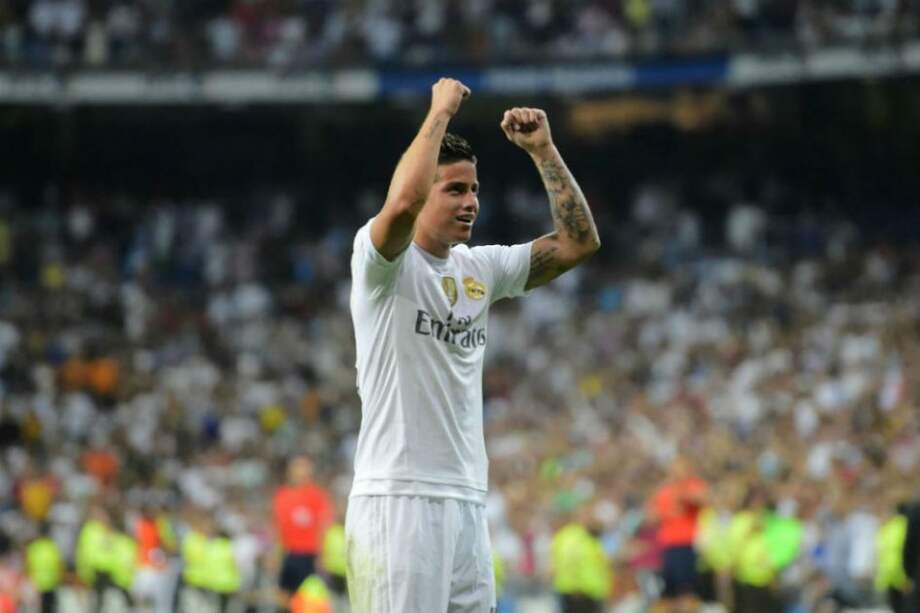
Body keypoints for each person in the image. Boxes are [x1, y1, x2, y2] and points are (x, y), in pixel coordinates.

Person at [346, 77, 601, 613]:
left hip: (465, 498)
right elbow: (403, 202)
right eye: (455, 190)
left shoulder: (480, 268)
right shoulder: (382, 264)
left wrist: (543, 151)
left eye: (474, 190)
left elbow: (578, 242)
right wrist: (439, 112)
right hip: (398, 498)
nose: (470, 203)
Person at [272, 455, 334, 599]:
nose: (301, 471)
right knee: (285, 596)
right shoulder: (282, 496)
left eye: (304, 466)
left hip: (310, 554)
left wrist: (322, 555)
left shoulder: (317, 495)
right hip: (289, 553)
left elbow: (323, 527)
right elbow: (279, 529)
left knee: (308, 597)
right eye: (298, 466)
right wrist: (277, 555)